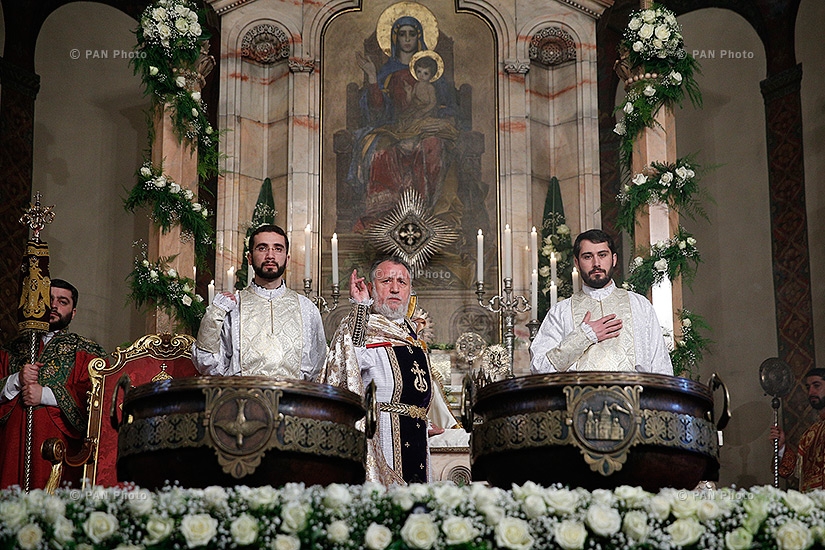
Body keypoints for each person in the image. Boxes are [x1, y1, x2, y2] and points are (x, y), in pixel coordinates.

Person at [319, 257, 456, 485]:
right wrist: (360, 307)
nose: (395, 288)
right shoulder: (360, 327)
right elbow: (348, 365)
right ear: (371, 288)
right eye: (386, 281)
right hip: (378, 437)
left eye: (402, 282)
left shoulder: (412, 335)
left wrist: (419, 416)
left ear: (410, 290)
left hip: (416, 435)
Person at [350, 15, 460, 229]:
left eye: (412, 34)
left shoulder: (435, 75)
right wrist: (373, 77)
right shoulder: (386, 73)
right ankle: (384, 214)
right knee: (379, 152)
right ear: (394, 38)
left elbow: (448, 106)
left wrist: (439, 118)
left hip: (426, 127)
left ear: (419, 37)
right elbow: (376, 112)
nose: (407, 39)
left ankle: (427, 214)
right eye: (402, 34)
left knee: (432, 145)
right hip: (394, 126)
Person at [0, 279, 108, 489]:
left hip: (59, 450)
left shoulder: (87, 351)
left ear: (73, 312)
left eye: (63, 301)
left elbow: (97, 398)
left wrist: (46, 395)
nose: (54, 306)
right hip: (12, 447)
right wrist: (16, 381)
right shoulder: (11, 349)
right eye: (48, 300)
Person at [192, 224, 326, 381]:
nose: (270, 255)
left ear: (287, 258)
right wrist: (214, 315)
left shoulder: (307, 308)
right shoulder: (232, 307)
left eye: (278, 249)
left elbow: (319, 365)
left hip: (293, 401)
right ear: (249, 258)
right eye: (262, 248)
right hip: (242, 400)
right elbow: (207, 365)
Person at [530, 229, 673, 374]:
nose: (596, 263)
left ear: (614, 259)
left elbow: (661, 368)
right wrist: (583, 336)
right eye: (587, 257)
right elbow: (539, 367)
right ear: (577, 263)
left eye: (602, 255)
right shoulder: (560, 312)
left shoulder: (639, 305)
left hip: (635, 395)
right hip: (577, 396)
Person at [772, 368, 825, 492]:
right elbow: (791, 471)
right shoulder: (809, 435)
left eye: (816, 386)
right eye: (808, 387)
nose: (811, 392)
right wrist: (781, 448)